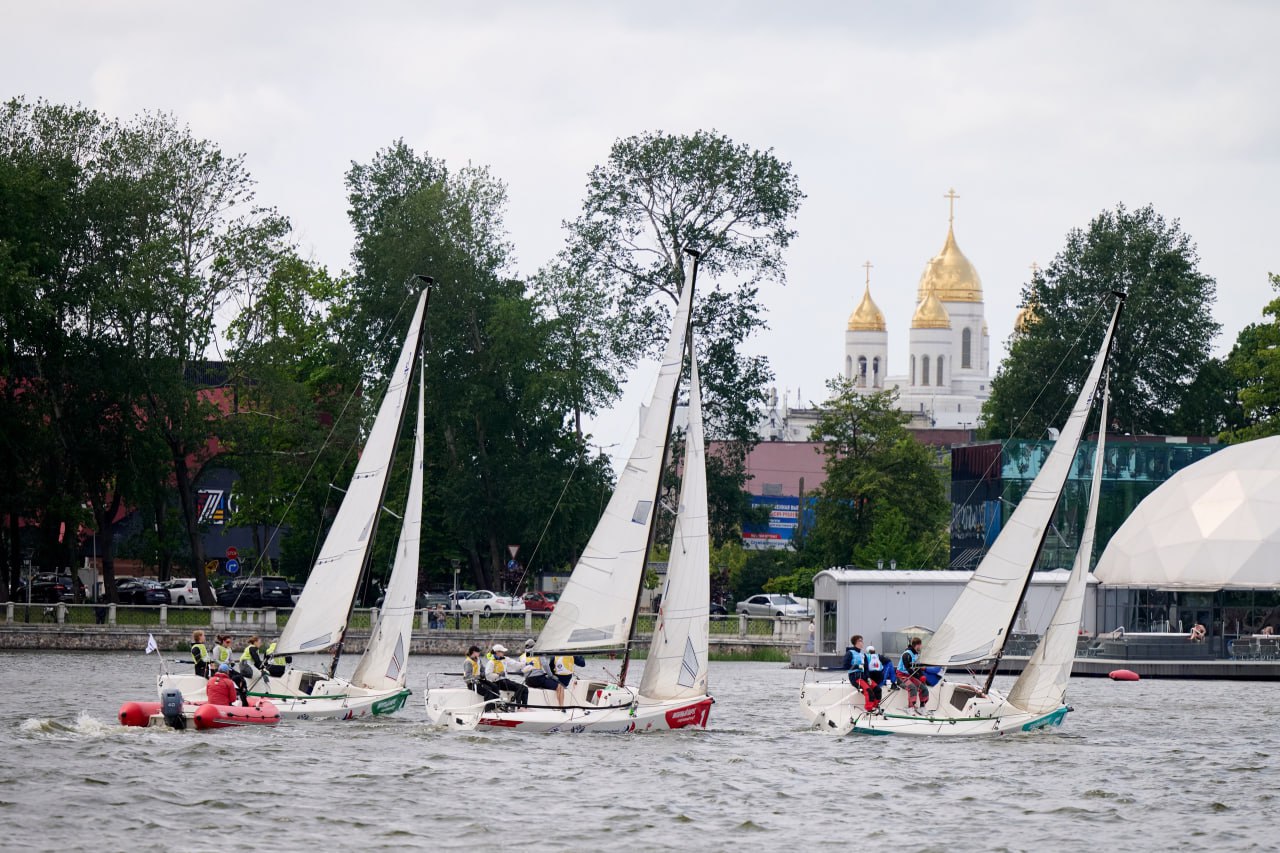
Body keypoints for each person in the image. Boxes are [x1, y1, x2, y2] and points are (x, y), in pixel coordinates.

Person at [521, 639, 561, 704]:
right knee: (559, 686)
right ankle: (561, 707)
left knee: (543, 681)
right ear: (534, 646)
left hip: (528, 681)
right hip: (538, 679)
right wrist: (551, 675)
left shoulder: (522, 656)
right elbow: (545, 664)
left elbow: (520, 670)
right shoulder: (538, 652)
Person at [898, 636, 930, 713]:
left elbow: (917, 668)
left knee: (924, 688)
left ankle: (922, 707)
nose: (921, 647)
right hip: (901, 676)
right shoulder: (907, 654)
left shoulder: (915, 654)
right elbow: (909, 669)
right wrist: (918, 677)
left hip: (910, 676)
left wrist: (922, 676)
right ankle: (910, 708)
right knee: (912, 688)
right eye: (920, 645)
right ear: (917, 645)